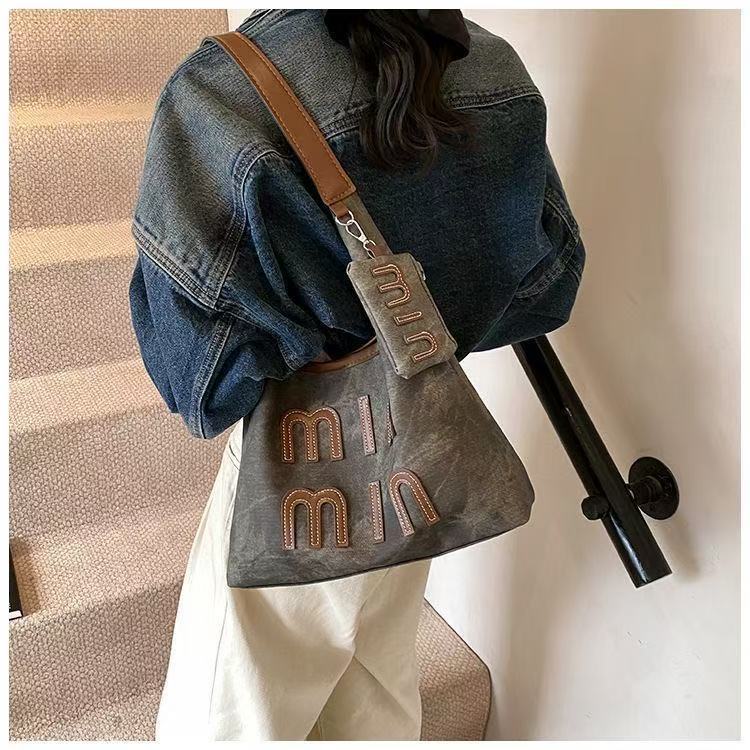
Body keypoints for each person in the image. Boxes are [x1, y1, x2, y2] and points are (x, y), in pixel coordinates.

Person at [128, 9, 584, 741]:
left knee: (228, 716)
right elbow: (547, 286)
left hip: (299, 460)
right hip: (421, 454)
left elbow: (199, 386)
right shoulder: (492, 65)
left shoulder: (222, 90)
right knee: (375, 698)